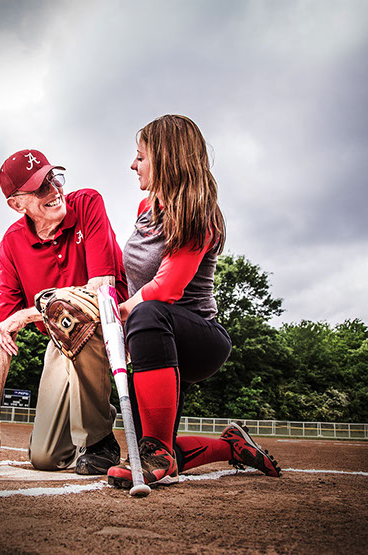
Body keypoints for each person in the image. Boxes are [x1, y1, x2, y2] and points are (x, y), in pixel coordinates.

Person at [107, 115, 281, 489]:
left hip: (196, 339)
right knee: (149, 452)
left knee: (148, 311)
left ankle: (158, 449)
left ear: (166, 160)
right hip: (152, 341)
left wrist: (120, 314)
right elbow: (133, 280)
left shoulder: (199, 214)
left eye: (140, 157)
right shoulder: (144, 209)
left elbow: (166, 287)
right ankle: (231, 448)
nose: (132, 165)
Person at [0, 149, 128, 475]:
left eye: (54, 178)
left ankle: (100, 441)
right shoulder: (11, 244)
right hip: (59, 334)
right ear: (17, 204)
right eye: (40, 187)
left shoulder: (87, 202)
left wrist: (26, 314)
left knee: (71, 317)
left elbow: (101, 289)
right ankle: (62, 434)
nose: (54, 190)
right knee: (44, 459)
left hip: (109, 323)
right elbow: (1, 334)